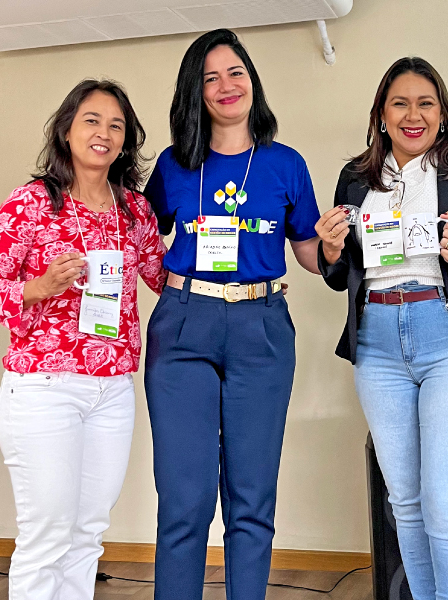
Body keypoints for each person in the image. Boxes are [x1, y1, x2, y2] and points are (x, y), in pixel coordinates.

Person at [315, 57, 448, 600]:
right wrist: (331, 251)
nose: (413, 115)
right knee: (405, 504)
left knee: (447, 506)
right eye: (400, 104)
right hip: (377, 343)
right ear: (381, 116)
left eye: (425, 103)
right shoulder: (356, 178)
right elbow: (341, 275)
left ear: (442, 113)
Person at [142, 29, 321, 600]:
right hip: (183, 324)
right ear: (194, 92)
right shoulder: (173, 165)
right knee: (184, 500)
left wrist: (335, 247)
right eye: (210, 77)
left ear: (252, 82)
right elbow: (138, 235)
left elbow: (309, 251)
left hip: (260, 325)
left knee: (251, 499)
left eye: (235, 72)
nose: (226, 85)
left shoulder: (285, 164)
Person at [0, 79, 166, 600]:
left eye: (116, 125)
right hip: (44, 388)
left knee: (88, 533)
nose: (104, 133)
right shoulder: (30, 203)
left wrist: (243, 275)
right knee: (48, 534)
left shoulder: (135, 211)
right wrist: (39, 287)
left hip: (113, 391)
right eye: (92, 120)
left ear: (125, 141)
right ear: (66, 130)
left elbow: (163, 276)